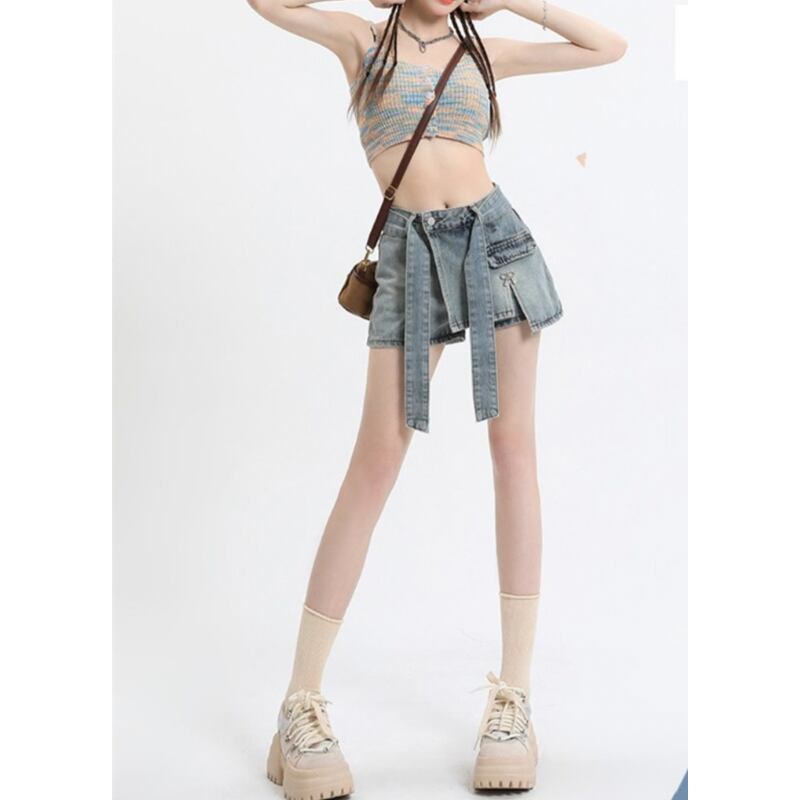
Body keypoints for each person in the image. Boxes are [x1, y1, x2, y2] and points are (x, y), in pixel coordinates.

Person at [246, 0, 626, 794]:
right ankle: (299, 703)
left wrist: (506, 0)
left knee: (513, 451)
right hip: (409, 256)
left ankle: (513, 700)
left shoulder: (485, 50)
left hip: (498, 245)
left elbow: (608, 46)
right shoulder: (361, 41)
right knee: (375, 464)